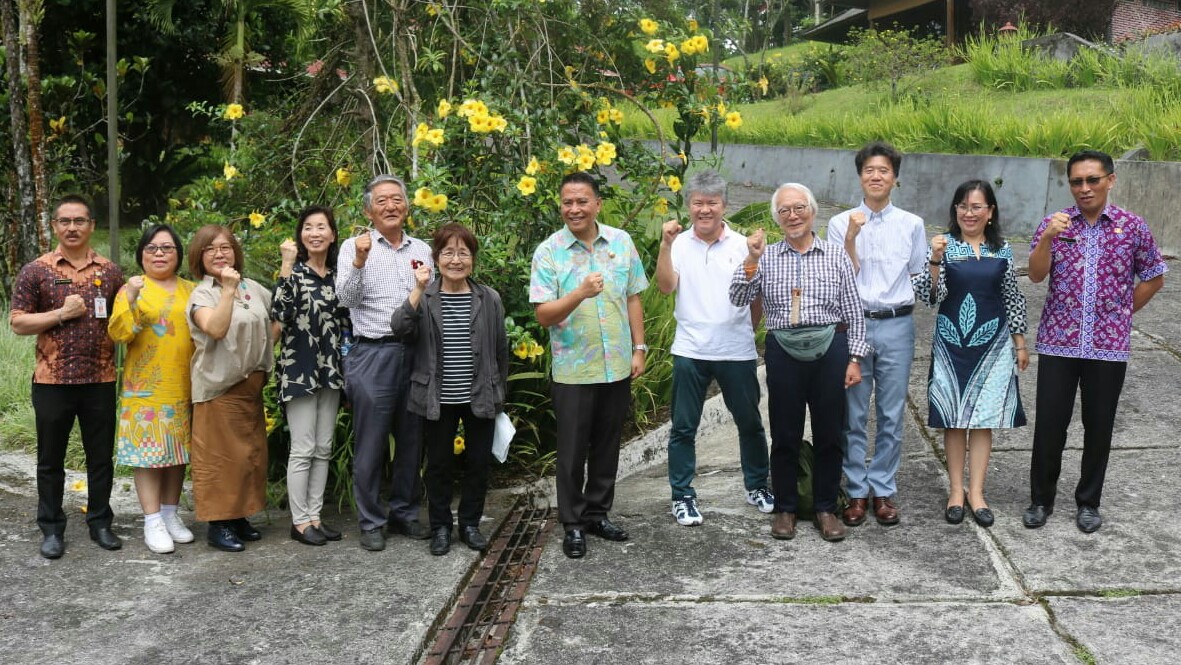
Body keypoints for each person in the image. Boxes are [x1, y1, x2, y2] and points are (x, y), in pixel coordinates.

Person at [1023, 150, 1167, 533]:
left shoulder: (1131, 227)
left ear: (1111, 180)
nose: (1084, 188)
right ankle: (1041, 500)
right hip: (1058, 342)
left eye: (1092, 180)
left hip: (1108, 346)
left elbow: (1154, 275)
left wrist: (1122, 312)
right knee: (1050, 424)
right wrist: (1048, 239)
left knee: (1099, 425)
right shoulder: (1055, 224)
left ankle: (1089, 502)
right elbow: (1036, 275)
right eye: (1076, 182)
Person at [730, 183, 867, 543]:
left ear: (812, 211)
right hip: (784, 350)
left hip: (831, 347)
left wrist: (855, 358)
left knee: (829, 433)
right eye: (784, 210)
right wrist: (751, 259)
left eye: (799, 208)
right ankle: (786, 509)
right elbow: (737, 296)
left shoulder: (836, 255)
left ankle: (825, 507)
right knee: (786, 433)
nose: (793, 215)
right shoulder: (767, 256)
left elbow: (854, 312)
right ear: (777, 218)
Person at [530, 172, 648, 559]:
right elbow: (544, 315)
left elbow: (633, 298)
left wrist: (639, 347)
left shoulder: (621, 242)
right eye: (567, 202)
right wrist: (579, 293)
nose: (574, 209)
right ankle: (573, 524)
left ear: (597, 204)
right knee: (572, 450)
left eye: (582, 201)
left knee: (607, 445)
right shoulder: (550, 252)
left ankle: (598, 514)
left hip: (615, 364)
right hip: (573, 370)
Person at [9, 195, 125, 559]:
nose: (72, 227)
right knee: (50, 459)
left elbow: (122, 321)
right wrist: (60, 313)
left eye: (79, 221)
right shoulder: (36, 270)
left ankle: (100, 522)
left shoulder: (110, 271)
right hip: (52, 381)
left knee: (100, 457)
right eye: (65, 221)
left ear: (92, 226)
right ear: (54, 226)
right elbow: (18, 322)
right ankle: (51, 527)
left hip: (100, 378)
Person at [655, 169, 772, 527]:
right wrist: (664, 245)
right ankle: (683, 495)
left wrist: (743, 333)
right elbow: (664, 287)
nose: (704, 210)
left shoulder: (742, 245)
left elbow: (756, 299)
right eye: (697, 203)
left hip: (735, 351)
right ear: (689, 205)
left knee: (750, 422)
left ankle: (757, 485)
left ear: (724, 205)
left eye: (712, 203)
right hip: (690, 350)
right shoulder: (679, 244)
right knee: (683, 427)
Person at [913, 181, 1029, 528]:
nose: (969, 213)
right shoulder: (943, 246)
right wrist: (934, 260)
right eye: (962, 206)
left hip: (994, 343)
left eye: (977, 206)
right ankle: (955, 491)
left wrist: (1020, 343)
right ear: (955, 211)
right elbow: (930, 297)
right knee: (954, 417)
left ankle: (977, 492)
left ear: (990, 212)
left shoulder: (1003, 250)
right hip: (952, 344)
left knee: (983, 419)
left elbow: (1012, 297)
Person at [391, 223, 509, 556]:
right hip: (436, 398)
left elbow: (501, 350)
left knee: (477, 463)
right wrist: (417, 289)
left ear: (472, 259)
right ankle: (441, 526)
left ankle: (470, 524)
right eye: (447, 252)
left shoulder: (488, 298)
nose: (455, 260)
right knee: (439, 465)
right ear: (436, 257)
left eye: (463, 253)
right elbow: (399, 328)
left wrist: (498, 393)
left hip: (479, 395)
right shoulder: (425, 297)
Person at [827, 141, 926, 527]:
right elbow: (840, 276)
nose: (876, 176)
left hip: (898, 323)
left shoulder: (912, 224)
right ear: (860, 176)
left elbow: (917, 272)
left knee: (890, 411)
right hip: (854, 323)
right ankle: (855, 491)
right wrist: (852, 237)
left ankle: (882, 487)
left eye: (884, 170)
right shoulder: (840, 223)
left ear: (895, 178)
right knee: (852, 412)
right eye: (869, 170)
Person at [337, 174, 434, 551]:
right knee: (372, 442)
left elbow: (433, 300)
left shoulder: (422, 249)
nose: (390, 206)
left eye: (396, 199)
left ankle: (405, 514)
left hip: (416, 353)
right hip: (372, 352)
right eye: (381, 201)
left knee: (412, 440)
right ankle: (371, 520)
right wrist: (360, 261)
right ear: (368, 210)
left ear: (407, 207)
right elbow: (344, 299)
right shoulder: (353, 247)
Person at [108, 224, 197, 553]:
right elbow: (119, 333)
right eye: (152, 248)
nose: (159, 253)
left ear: (178, 254)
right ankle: (152, 520)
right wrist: (130, 299)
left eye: (167, 248)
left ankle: (171, 515)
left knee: (176, 454)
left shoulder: (193, 289)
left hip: (184, 384)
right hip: (144, 389)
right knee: (147, 456)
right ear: (141, 255)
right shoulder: (132, 288)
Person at [186, 225, 274, 552]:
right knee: (219, 458)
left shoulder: (251, 287)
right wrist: (226, 290)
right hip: (218, 387)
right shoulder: (203, 294)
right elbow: (217, 328)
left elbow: (276, 316)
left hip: (250, 386)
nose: (220, 253)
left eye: (225, 247)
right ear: (199, 256)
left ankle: (238, 517)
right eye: (210, 249)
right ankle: (218, 524)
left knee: (247, 456)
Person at [272, 206, 349, 546]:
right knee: (302, 449)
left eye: (322, 227)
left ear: (333, 235)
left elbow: (347, 320)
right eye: (308, 227)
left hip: (331, 370)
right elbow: (281, 313)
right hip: (299, 369)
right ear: (300, 235)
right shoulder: (295, 273)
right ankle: (299, 521)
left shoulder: (338, 275)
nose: (315, 233)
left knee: (323, 447)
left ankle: (315, 516)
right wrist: (286, 265)